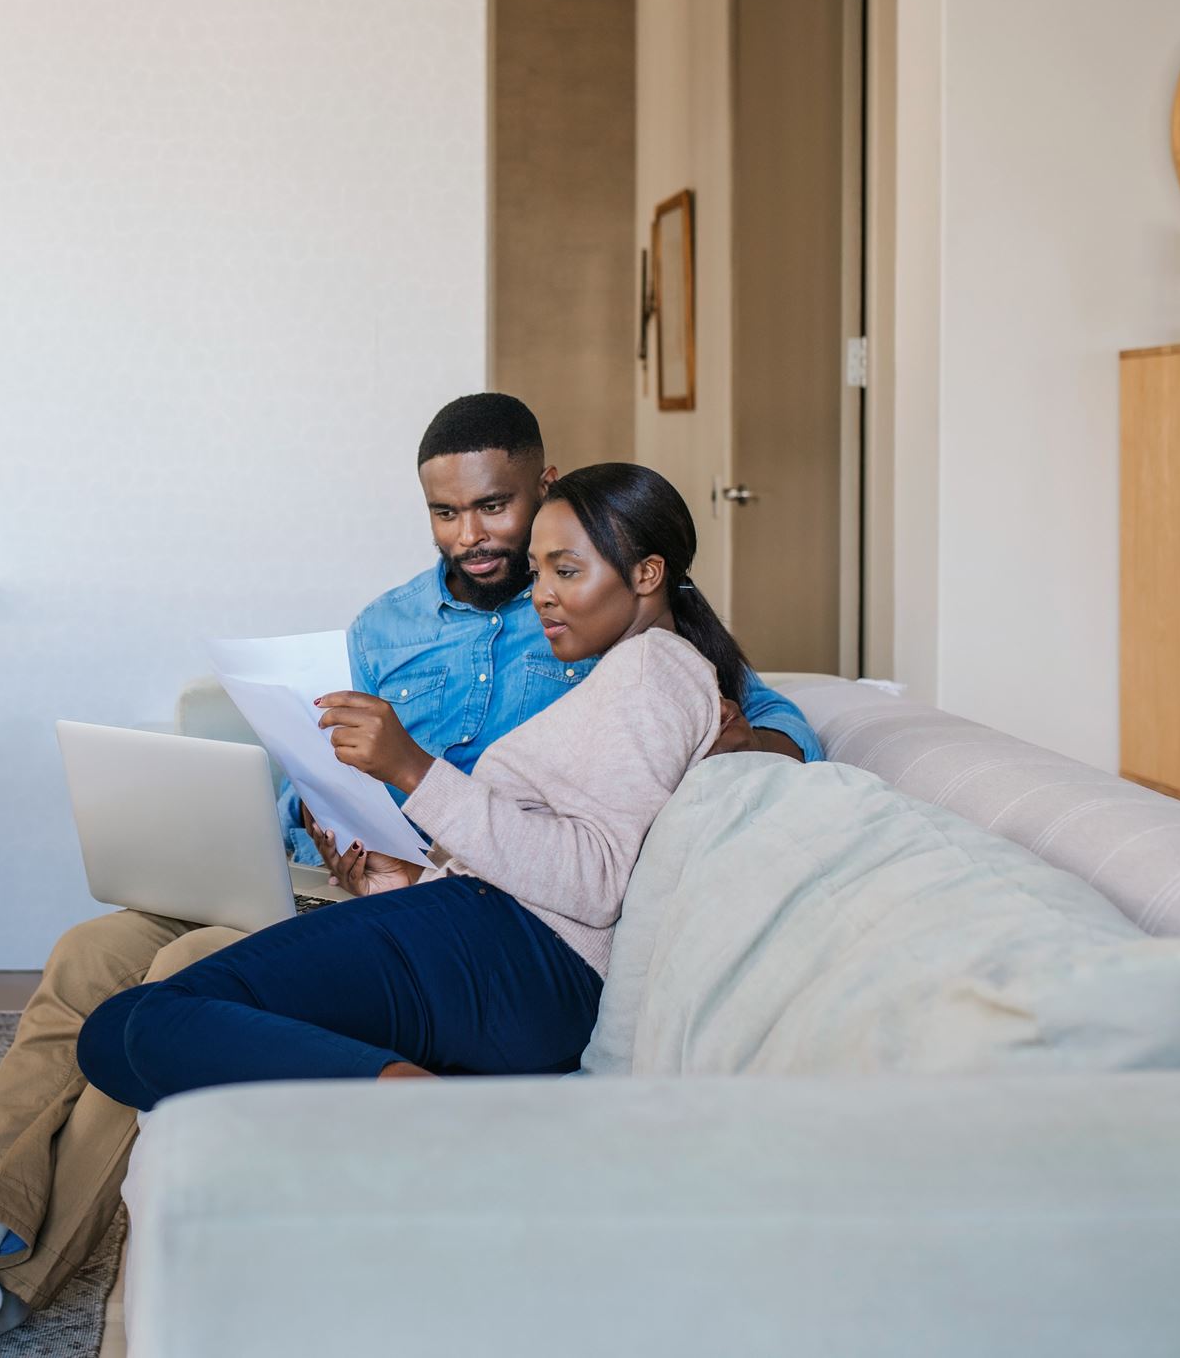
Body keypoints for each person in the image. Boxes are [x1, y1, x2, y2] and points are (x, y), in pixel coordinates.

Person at [0, 401, 818, 1358]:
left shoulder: (619, 630)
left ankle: (8, 1280)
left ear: (543, 488)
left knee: (181, 979)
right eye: (447, 513)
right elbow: (323, 764)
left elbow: (749, 715)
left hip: (480, 906)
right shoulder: (391, 625)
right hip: (378, 878)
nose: (477, 538)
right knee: (87, 953)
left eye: (497, 508)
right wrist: (315, 815)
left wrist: (750, 746)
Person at [77, 462, 739, 1106]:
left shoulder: (652, 671)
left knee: (153, 1018)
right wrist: (416, 882)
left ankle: (430, 1120)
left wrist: (413, 771)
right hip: (501, 948)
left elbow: (594, 881)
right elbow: (558, 855)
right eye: (538, 571)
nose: (542, 593)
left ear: (647, 574)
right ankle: (410, 1111)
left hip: (521, 961)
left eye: (566, 571)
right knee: (122, 1032)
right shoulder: (635, 672)